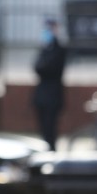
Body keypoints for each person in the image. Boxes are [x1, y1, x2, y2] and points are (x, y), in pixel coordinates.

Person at [32, 18, 67, 151]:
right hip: (41, 96)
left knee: (51, 128)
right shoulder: (44, 48)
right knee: (42, 128)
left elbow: (46, 69)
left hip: (53, 96)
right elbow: (36, 67)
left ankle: (51, 151)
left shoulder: (59, 49)